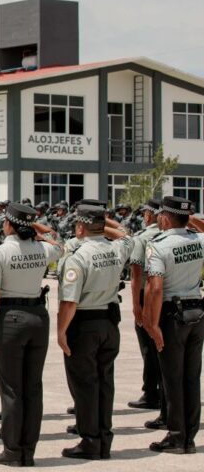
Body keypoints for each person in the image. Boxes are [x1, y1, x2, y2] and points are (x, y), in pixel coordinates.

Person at [0, 203, 63, 466]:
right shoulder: (42, 249)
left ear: (8, 225)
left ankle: (12, 451)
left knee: (11, 390)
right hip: (38, 318)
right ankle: (28, 450)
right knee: (33, 388)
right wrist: (36, 228)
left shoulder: (0, 253)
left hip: (9, 319)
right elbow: (58, 243)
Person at [57, 205, 133, 461]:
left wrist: (61, 331)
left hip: (84, 324)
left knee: (85, 385)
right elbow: (126, 235)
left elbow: (69, 301)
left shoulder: (78, 256)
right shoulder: (117, 248)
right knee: (105, 383)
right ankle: (104, 439)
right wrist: (103, 223)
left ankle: (90, 441)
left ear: (80, 227)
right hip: (109, 323)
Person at [143, 196, 204, 455]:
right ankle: (189, 436)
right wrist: (190, 220)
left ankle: (177, 437)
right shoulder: (198, 240)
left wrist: (153, 323)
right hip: (196, 312)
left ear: (166, 219)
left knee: (172, 378)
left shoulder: (159, 245)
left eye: (160, 215)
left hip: (171, 315)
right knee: (191, 377)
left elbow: (155, 288)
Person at [128, 200, 165, 429]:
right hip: (167, 295)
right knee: (162, 346)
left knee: (148, 347)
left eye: (145, 213)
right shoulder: (171, 235)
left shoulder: (141, 238)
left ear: (150, 215)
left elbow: (135, 274)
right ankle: (160, 391)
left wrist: (136, 305)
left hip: (146, 294)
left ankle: (151, 392)